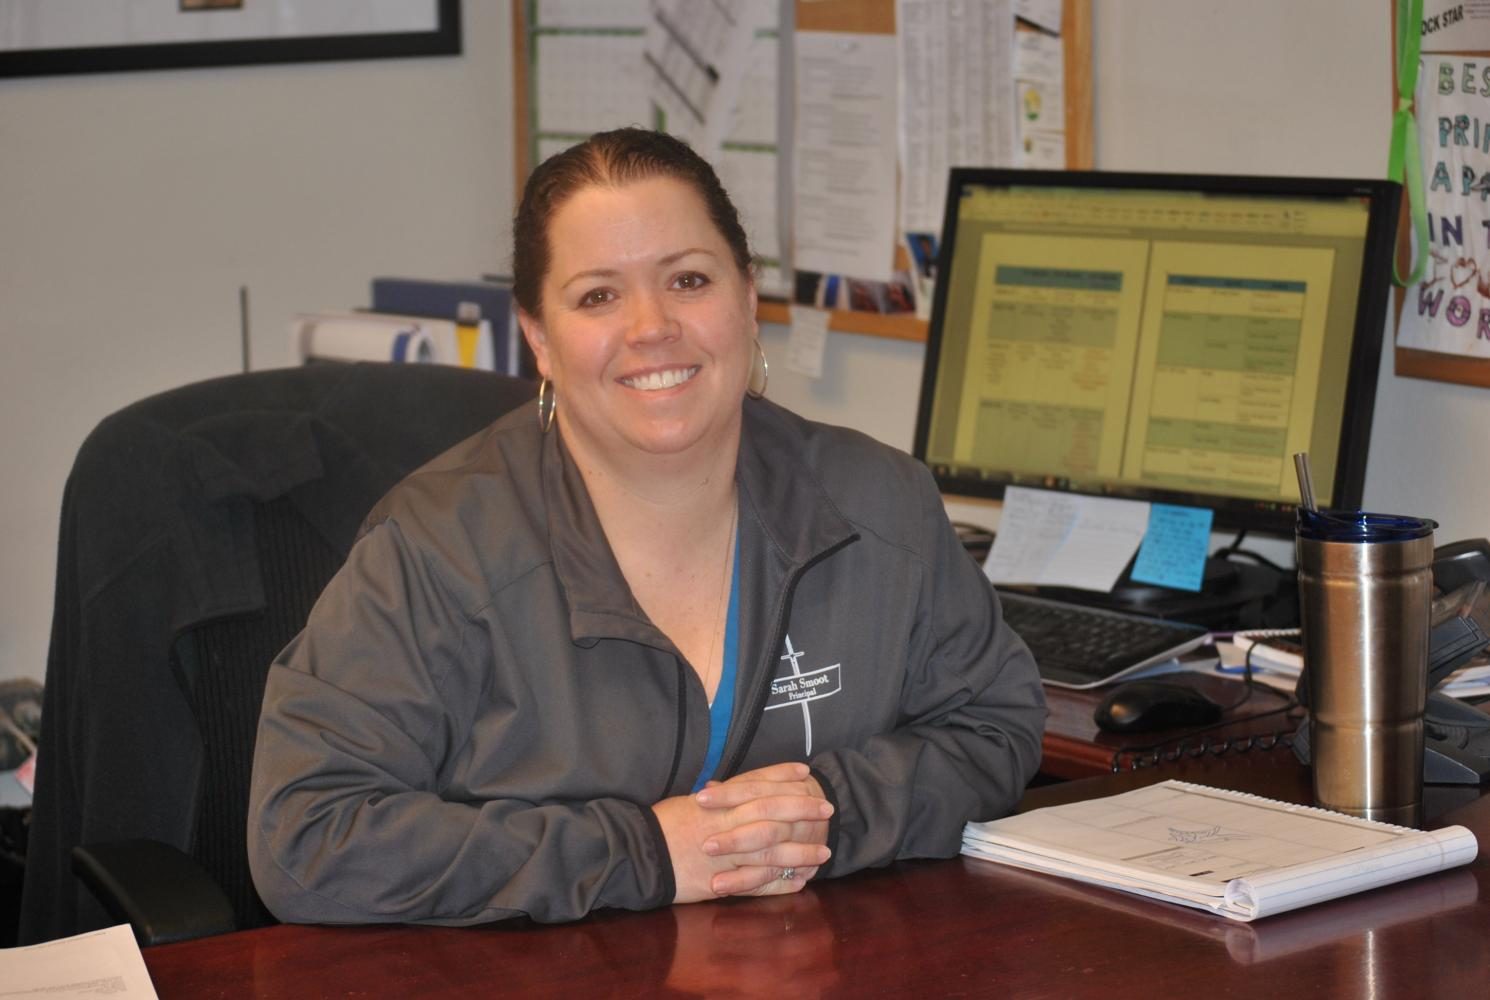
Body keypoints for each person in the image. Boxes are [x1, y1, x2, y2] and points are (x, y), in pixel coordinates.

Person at [247, 128, 1045, 926]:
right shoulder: (438, 548)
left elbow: (993, 725)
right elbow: (308, 837)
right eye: (598, 295)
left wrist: (818, 816)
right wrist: (647, 855)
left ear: (746, 295)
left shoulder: (880, 504)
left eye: (688, 280)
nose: (651, 327)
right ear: (538, 337)